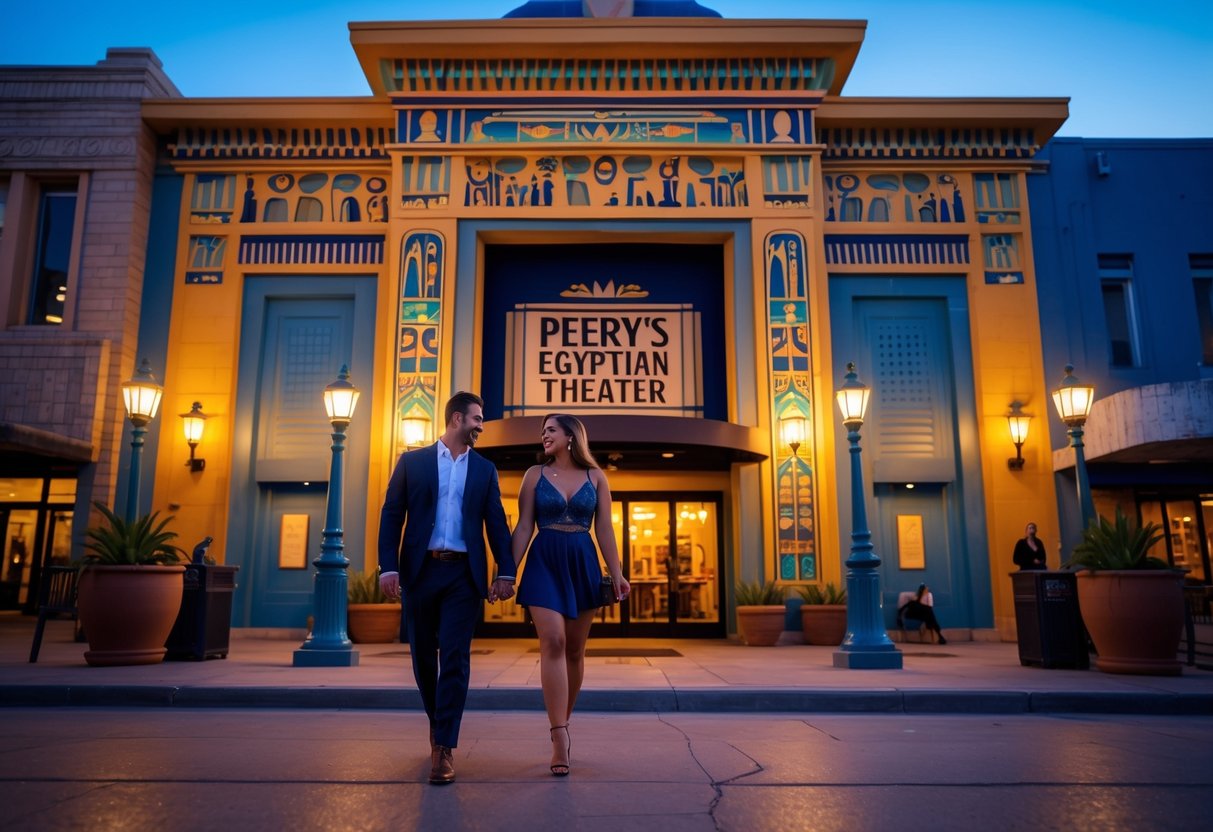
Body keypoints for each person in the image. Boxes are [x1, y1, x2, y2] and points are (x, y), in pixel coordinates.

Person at [377, 392, 516, 786]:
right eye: (477, 418)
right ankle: (437, 723)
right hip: (421, 572)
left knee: (455, 656)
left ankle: (444, 745)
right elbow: (392, 515)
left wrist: (506, 571)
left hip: (463, 576)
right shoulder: (412, 462)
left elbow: (496, 523)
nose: (481, 426)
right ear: (457, 418)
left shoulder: (485, 470)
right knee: (423, 657)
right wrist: (389, 567)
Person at [511, 413, 629, 776]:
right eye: (543, 431)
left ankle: (563, 719)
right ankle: (559, 735)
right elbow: (524, 526)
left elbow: (605, 529)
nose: (544, 436)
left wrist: (617, 573)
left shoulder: (596, 477)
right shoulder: (534, 475)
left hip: (582, 562)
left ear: (571, 436)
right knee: (555, 641)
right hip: (544, 561)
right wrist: (506, 572)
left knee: (576, 649)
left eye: (551, 430)